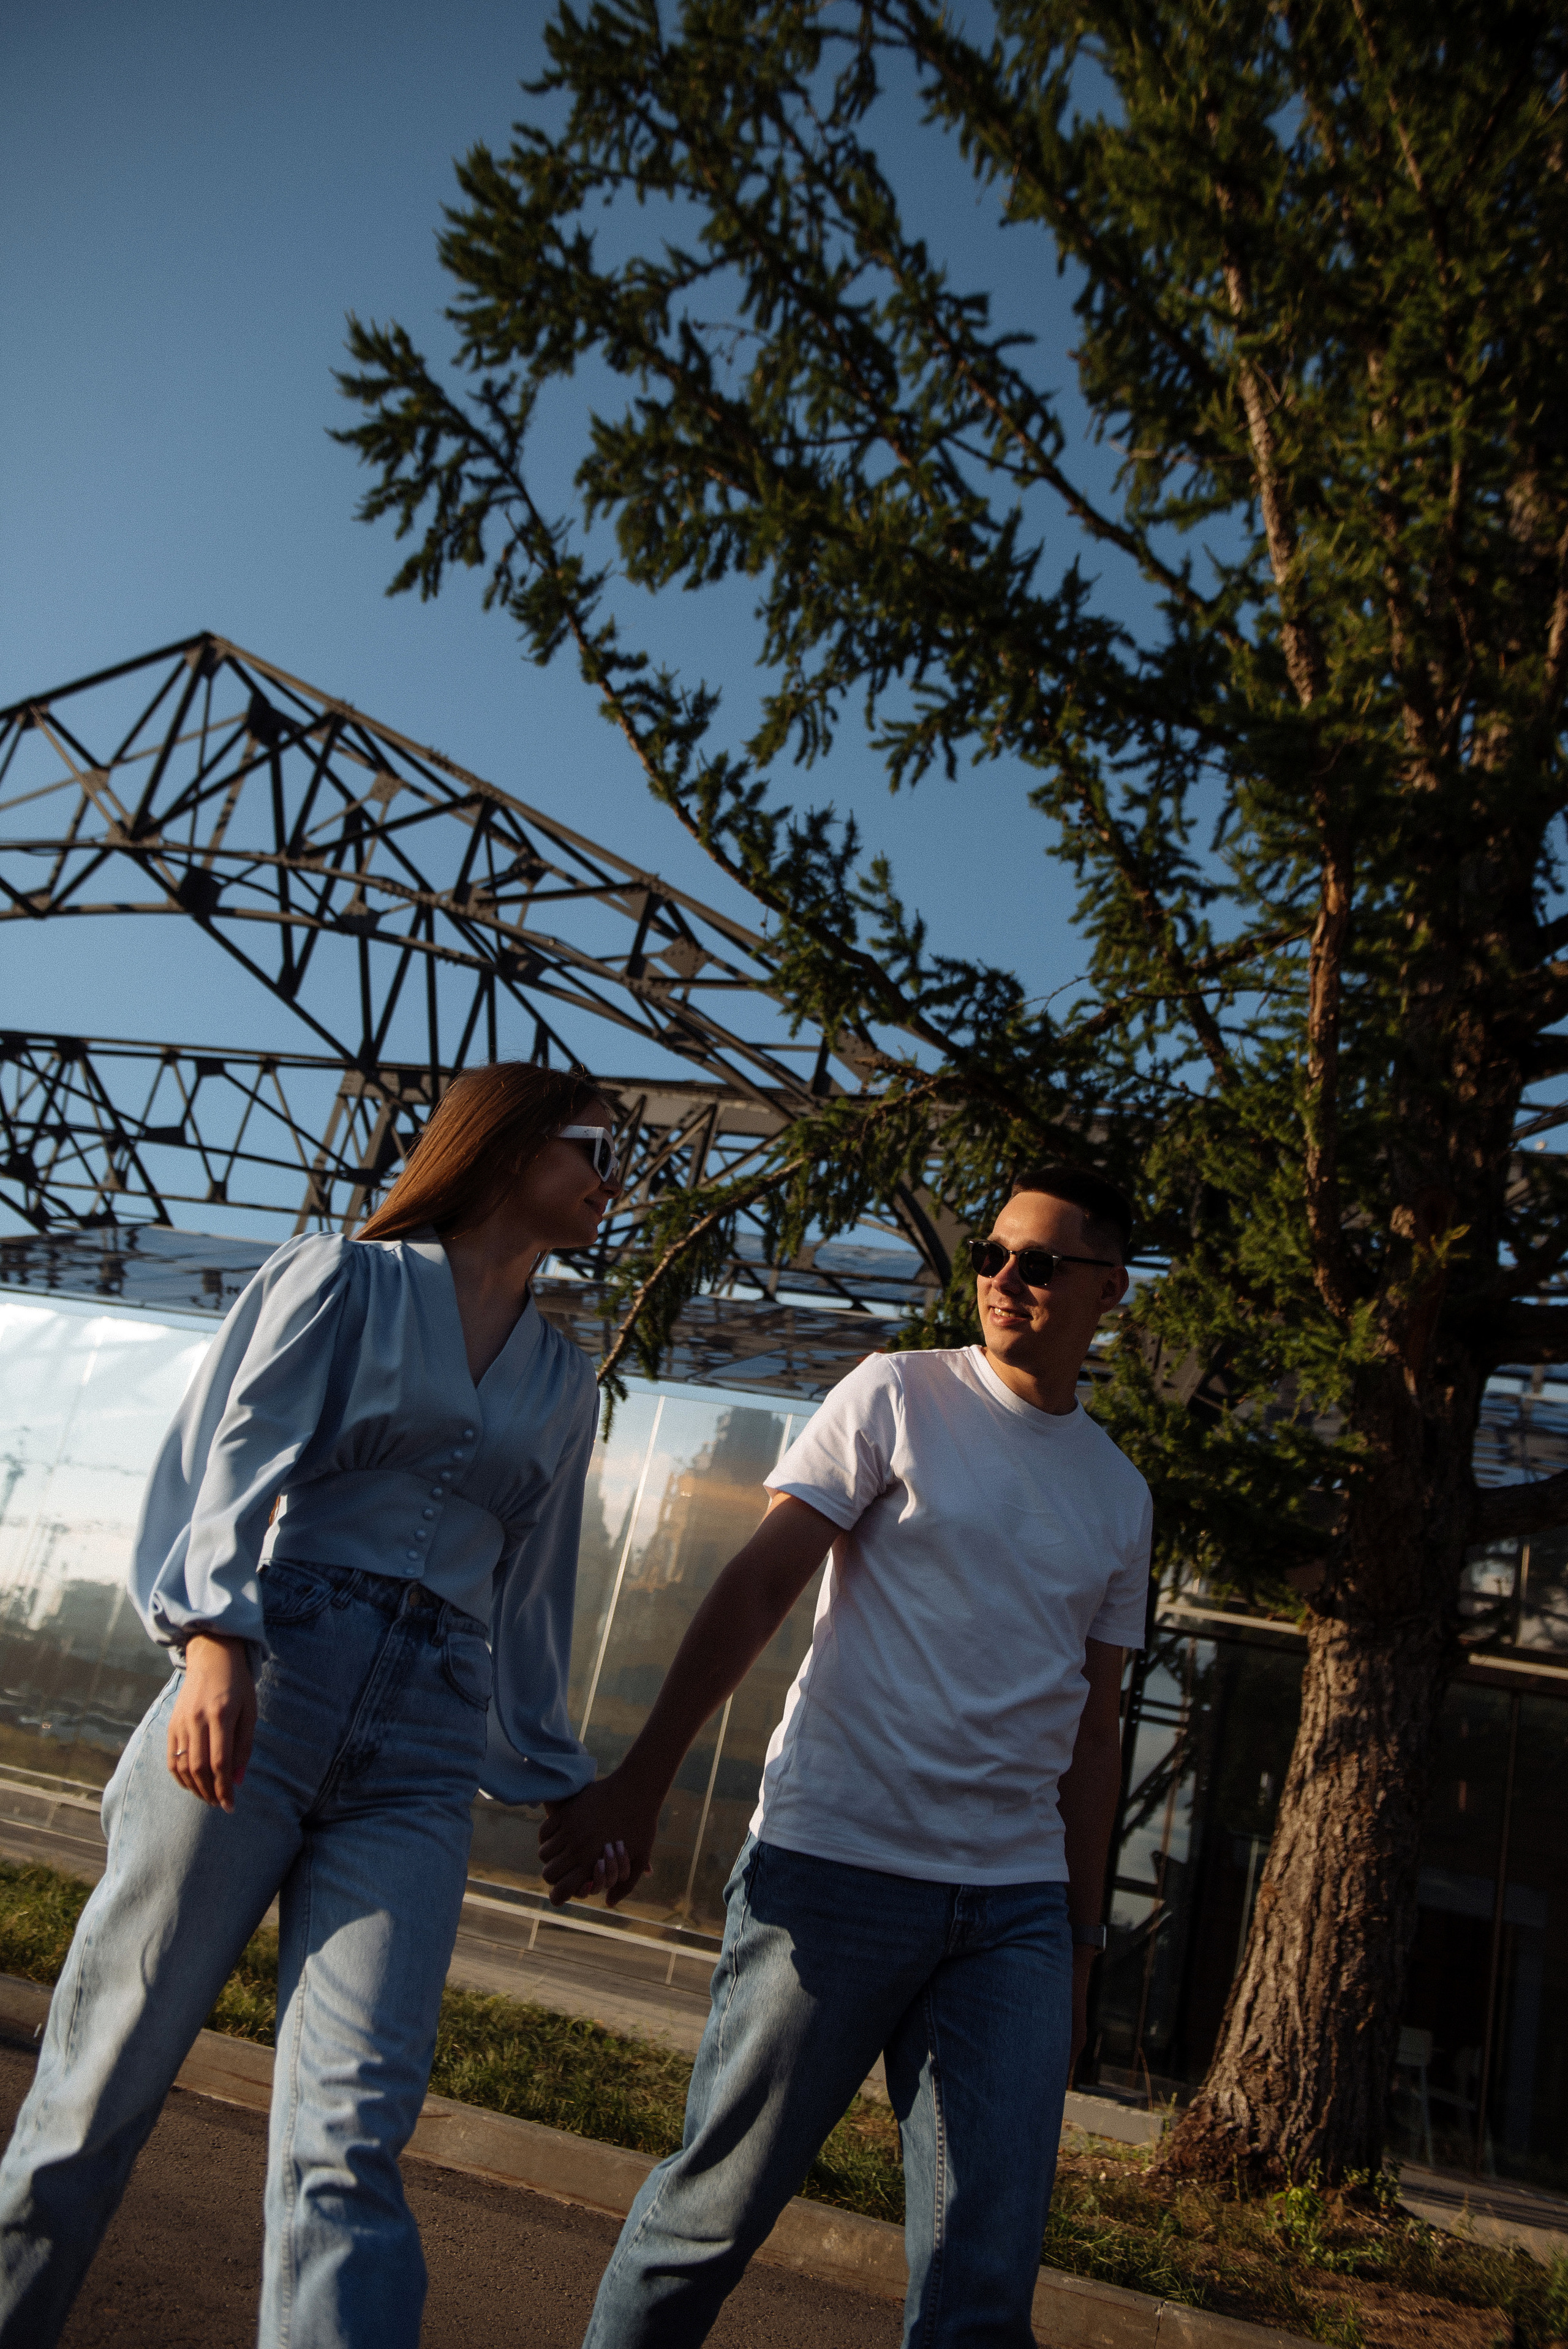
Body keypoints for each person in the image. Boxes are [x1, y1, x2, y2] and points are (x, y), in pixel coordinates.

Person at [0, 1062, 634, 2349]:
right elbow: (230, 1458)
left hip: (427, 1742)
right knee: (99, 2083)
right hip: (270, 1680)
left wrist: (553, 1767)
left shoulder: (570, 1382)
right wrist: (213, 1644)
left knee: (351, 2140)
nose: (614, 1177)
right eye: (589, 1146)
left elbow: (532, 1593)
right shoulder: (343, 1276)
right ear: (506, 1147)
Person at [543, 1163, 1152, 2349]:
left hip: (1015, 1911)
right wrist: (643, 1773)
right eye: (991, 1253)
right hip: (835, 1866)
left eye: (1041, 1261)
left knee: (983, 2285)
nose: (1005, 1277)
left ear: (1109, 1290)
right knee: (707, 2220)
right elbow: (763, 1582)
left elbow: (1095, 1730)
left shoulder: (1120, 1493)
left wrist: (1080, 1945)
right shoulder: (899, 1394)